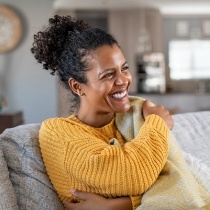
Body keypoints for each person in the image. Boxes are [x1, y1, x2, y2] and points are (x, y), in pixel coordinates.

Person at [31, 15, 174, 210]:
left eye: (124, 68)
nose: (123, 80)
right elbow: (135, 175)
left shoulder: (135, 116)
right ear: (77, 86)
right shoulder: (56, 132)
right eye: (108, 74)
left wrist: (116, 205)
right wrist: (158, 122)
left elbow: (177, 178)